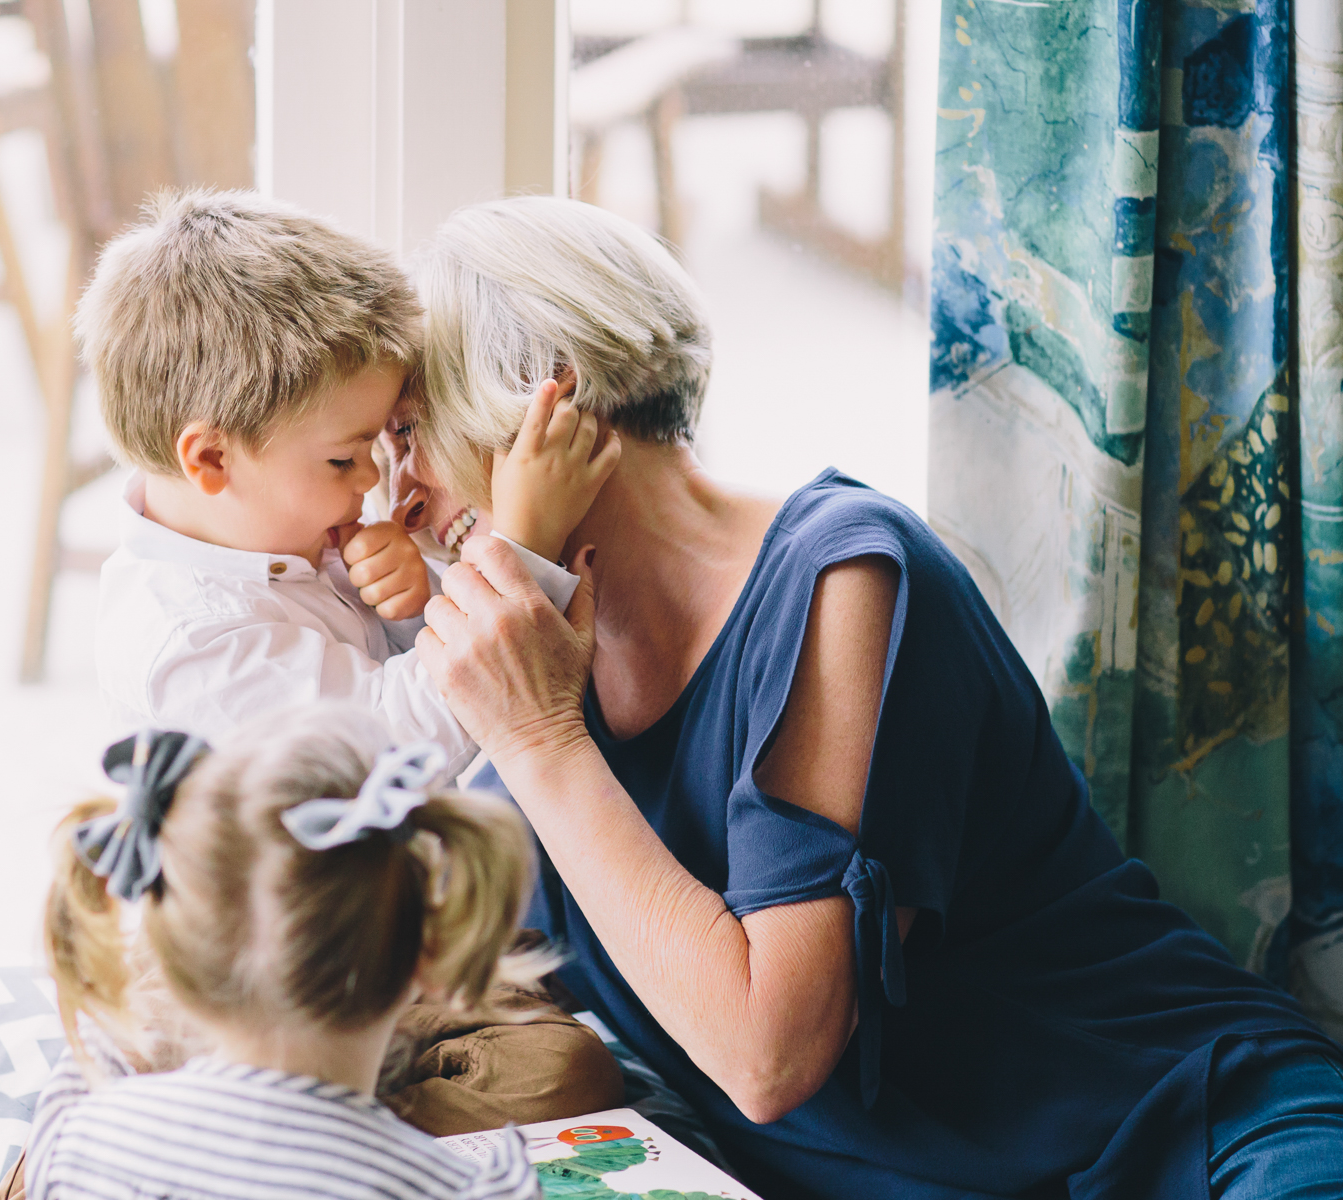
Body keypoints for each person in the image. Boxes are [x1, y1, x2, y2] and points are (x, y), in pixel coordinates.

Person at [385, 195, 1343, 1200]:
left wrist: (539, 740)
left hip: (1184, 1136)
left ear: (551, 397)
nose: (398, 494)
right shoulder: (536, 672)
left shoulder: (844, 579)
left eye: (415, 429)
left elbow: (771, 1055)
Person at [78, 189, 618, 779]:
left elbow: (386, 666)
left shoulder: (275, 535)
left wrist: (412, 606)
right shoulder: (194, 644)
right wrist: (521, 546)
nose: (371, 478)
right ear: (210, 460)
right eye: (342, 460)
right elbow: (390, 745)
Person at [26, 705, 545, 1200]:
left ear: (167, 961)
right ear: (431, 952)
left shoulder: (78, 1136)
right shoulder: (459, 1189)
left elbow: (93, 1047)